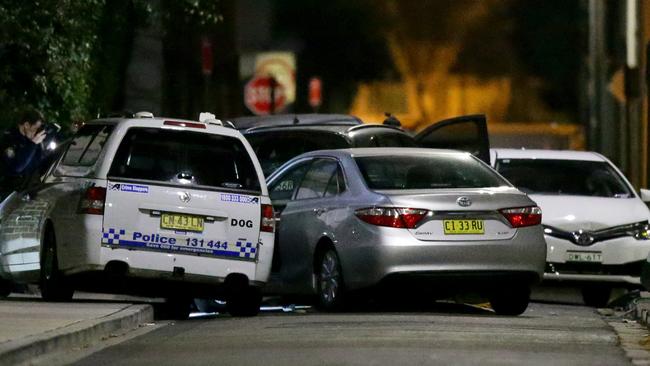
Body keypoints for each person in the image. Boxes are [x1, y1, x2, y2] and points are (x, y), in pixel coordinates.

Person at [0, 108, 48, 199]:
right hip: (7, 194)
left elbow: (40, 166)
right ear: (26, 125)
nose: (36, 132)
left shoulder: (33, 140)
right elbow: (17, 167)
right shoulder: (9, 138)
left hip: (27, 191)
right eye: (35, 128)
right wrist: (33, 144)